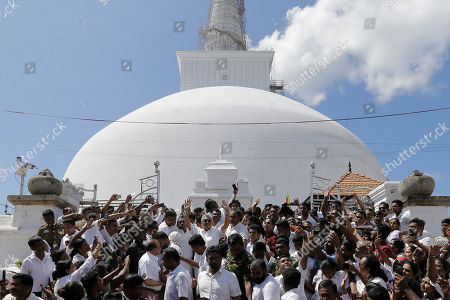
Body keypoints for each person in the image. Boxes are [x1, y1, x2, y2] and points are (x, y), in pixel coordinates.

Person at [225, 234, 254, 299]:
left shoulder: (248, 260)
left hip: (239, 294)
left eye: (237, 250)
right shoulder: (229, 252)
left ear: (242, 245)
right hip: (227, 291)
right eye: (232, 250)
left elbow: (247, 283)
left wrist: (249, 298)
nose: (234, 252)